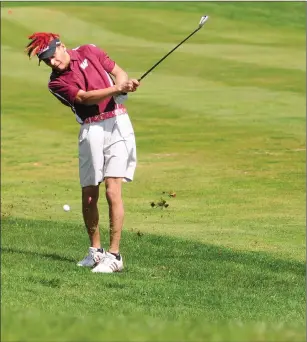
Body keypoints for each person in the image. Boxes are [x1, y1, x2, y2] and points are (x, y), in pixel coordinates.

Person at [25, 32, 140, 273]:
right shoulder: (55, 83)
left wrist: (124, 84)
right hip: (91, 129)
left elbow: (118, 71)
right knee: (89, 194)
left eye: (52, 56)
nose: (52, 63)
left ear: (62, 46)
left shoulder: (90, 50)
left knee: (112, 189)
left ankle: (115, 255)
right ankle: (95, 252)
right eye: (46, 61)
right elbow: (84, 98)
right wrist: (116, 89)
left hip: (118, 123)